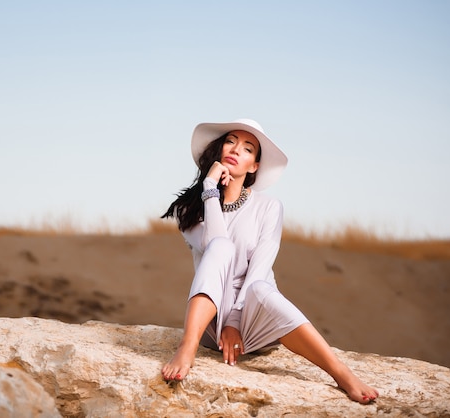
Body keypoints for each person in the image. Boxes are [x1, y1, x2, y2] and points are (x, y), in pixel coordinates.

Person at [160, 118, 379, 404]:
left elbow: (260, 269)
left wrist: (236, 321)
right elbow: (216, 246)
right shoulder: (189, 210)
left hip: (255, 319)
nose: (237, 150)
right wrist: (210, 189)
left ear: (254, 166)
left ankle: (340, 372)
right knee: (222, 247)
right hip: (212, 322)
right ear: (218, 150)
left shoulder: (269, 207)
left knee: (262, 287)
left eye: (248, 148)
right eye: (230, 142)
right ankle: (186, 348)